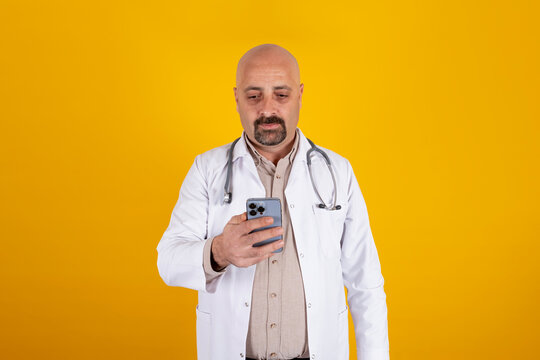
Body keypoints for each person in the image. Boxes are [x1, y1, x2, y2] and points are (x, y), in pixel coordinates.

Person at [156, 44, 389, 360]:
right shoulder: (207, 169)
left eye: (281, 94)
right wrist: (219, 251)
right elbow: (167, 262)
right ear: (237, 98)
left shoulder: (337, 171)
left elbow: (366, 283)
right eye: (254, 96)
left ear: (300, 95)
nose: (267, 109)